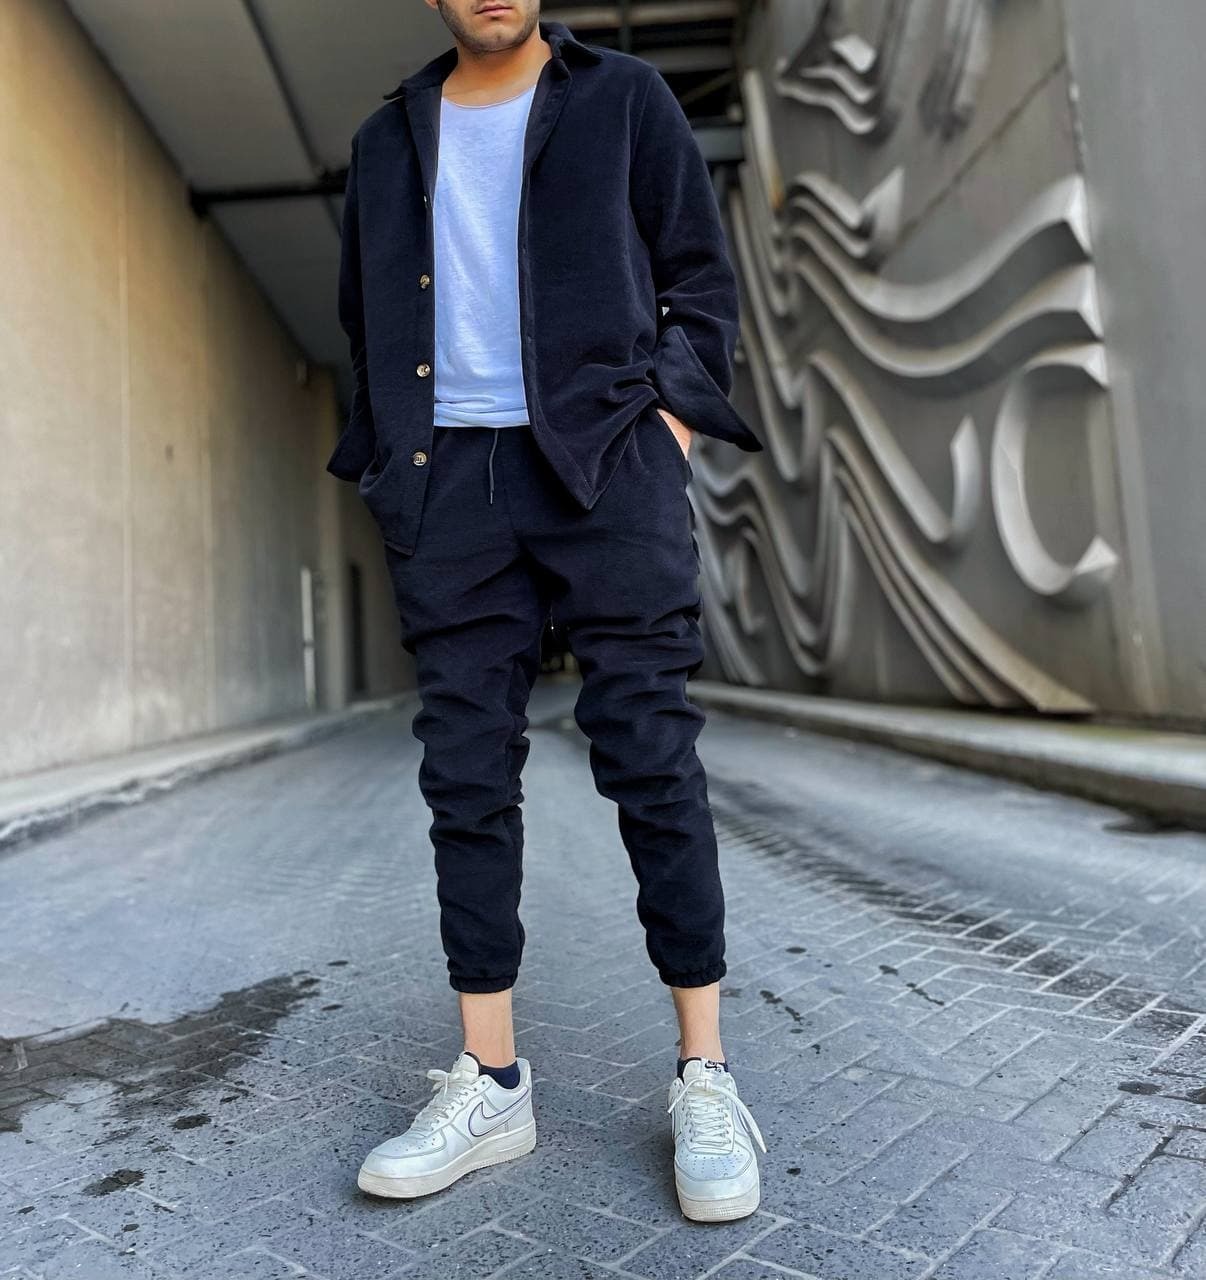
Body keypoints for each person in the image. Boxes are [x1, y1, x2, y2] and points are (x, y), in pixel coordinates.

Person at [329, 0, 767, 1222]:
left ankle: (705, 1073)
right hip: (448, 485)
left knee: (650, 751)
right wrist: (390, 462)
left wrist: (666, 429)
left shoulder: (623, 98)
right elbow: (366, 316)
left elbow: (699, 279)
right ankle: (492, 1079)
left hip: (606, 461)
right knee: (465, 772)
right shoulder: (385, 141)